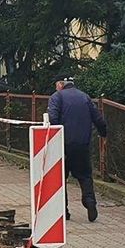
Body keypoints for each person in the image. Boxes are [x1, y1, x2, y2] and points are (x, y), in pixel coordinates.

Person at [47, 78, 107, 222]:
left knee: (61, 178)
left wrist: (55, 137)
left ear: (61, 85)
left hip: (63, 144)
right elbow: (98, 119)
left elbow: (53, 118)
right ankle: (90, 202)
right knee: (85, 175)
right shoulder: (84, 96)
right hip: (82, 144)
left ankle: (64, 211)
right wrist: (103, 133)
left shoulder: (57, 97)